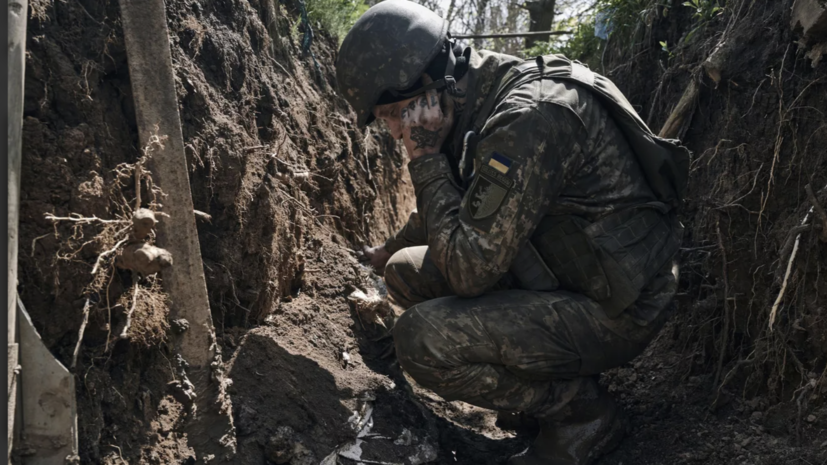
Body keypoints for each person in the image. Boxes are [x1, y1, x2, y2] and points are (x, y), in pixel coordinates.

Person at [335, 1, 690, 464]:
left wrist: (425, 161)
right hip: (574, 277)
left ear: (423, 88)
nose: (394, 132)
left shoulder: (526, 118)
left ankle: (581, 415)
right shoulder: (473, 97)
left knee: (421, 339)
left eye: (390, 116)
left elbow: (468, 273)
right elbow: (459, 205)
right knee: (405, 271)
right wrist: (385, 251)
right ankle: (539, 389)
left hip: (619, 307)